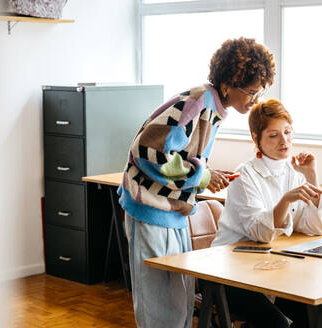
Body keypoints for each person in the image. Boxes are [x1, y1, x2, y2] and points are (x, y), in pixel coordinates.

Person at [117, 37, 275, 328]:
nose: (256, 100)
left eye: (261, 92)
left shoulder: (212, 108)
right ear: (228, 84)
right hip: (150, 210)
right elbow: (149, 151)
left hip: (172, 213)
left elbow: (183, 155)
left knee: (179, 305)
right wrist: (201, 176)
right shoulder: (196, 102)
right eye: (252, 92)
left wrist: (206, 176)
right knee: (159, 310)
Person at [211, 98, 322, 328]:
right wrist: (286, 200)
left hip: (273, 269)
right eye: (273, 135)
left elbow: (315, 228)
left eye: (287, 132)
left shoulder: (294, 170)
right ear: (256, 138)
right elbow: (261, 233)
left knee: (315, 316)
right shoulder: (244, 175)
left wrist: (311, 176)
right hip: (231, 273)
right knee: (277, 324)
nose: (284, 141)